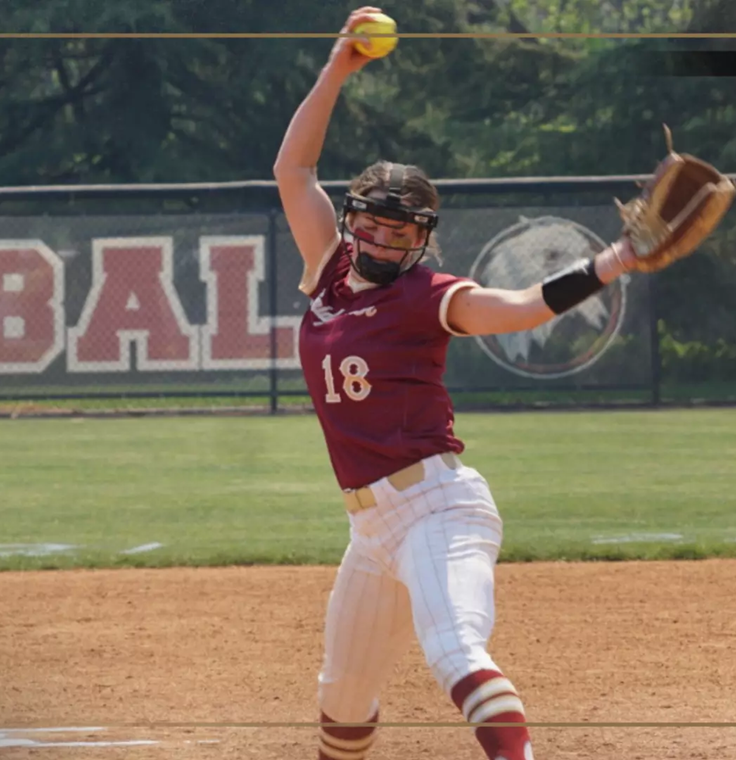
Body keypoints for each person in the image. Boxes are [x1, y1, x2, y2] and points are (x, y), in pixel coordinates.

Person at [272, 8, 643, 760]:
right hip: (369, 530)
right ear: (351, 222)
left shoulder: (429, 295)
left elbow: (522, 307)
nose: (381, 241)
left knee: (454, 650)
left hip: (437, 508)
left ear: (423, 239)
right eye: (371, 226)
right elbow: (294, 171)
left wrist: (613, 262)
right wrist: (337, 68)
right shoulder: (329, 268)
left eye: (401, 232)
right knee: (342, 700)